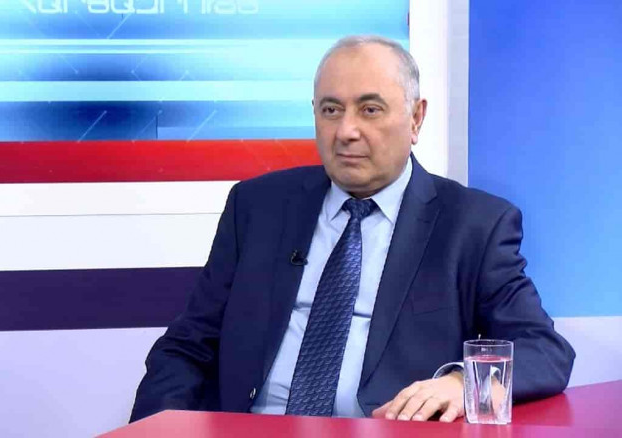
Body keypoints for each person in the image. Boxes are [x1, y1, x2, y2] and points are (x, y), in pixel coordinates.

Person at [130, 35, 575, 423]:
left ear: (416, 118)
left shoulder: (473, 225)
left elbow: (543, 350)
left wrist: (462, 383)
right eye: (331, 110)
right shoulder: (256, 206)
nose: (346, 131)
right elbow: (186, 347)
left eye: (370, 109)